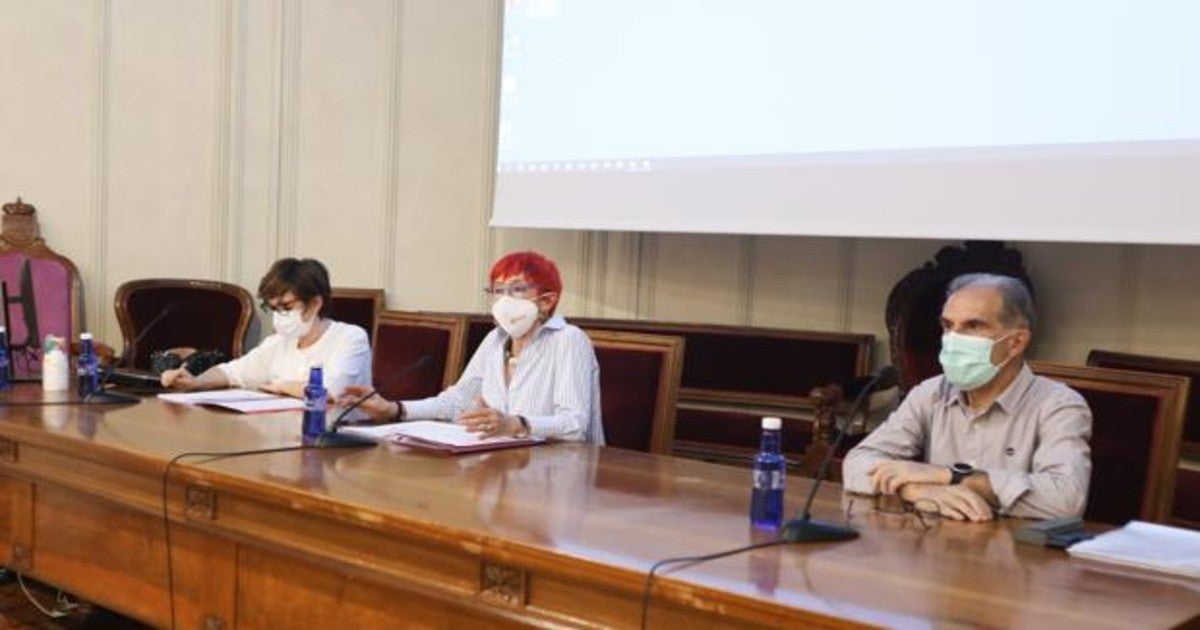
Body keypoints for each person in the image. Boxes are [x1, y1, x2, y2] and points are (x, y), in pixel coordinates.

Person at [842, 273, 1092, 522]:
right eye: (948, 326)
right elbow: (857, 462)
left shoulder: (1059, 404)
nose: (954, 339)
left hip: (1016, 553)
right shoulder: (930, 393)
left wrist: (952, 478)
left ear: (1016, 343)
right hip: (936, 546)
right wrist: (919, 491)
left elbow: (1067, 500)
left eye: (973, 326)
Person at [340, 251, 603, 443]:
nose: (504, 300)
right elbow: (457, 402)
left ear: (547, 301)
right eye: (498, 291)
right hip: (500, 463)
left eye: (517, 289)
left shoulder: (568, 339)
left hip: (557, 474)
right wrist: (394, 409)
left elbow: (575, 424)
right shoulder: (495, 340)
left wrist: (515, 424)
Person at [160, 258, 372, 399]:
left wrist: (281, 387)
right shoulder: (278, 342)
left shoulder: (350, 337)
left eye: (287, 307)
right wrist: (194, 382)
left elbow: (332, 391)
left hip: (338, 443)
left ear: (315, 303)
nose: (279, 315)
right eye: (274, 308)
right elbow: (234, 372)